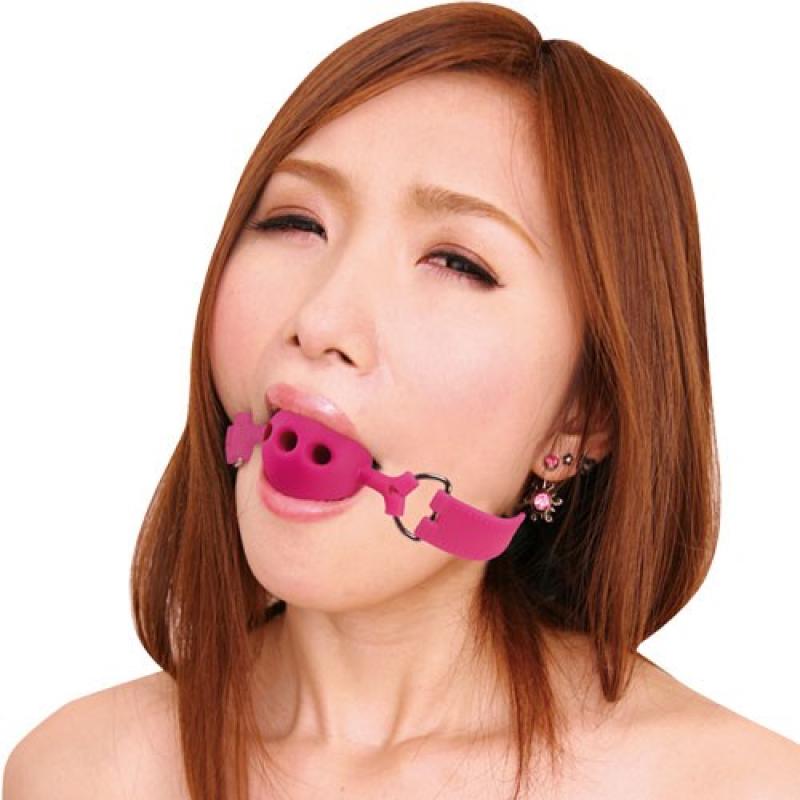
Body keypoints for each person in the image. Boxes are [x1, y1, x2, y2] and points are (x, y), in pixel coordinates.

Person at [5, 3, 799, 799]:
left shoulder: (736, 786)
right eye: (294, 221)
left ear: (581, 415)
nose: (320, 322)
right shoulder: (80, 773)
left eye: (456, 262)